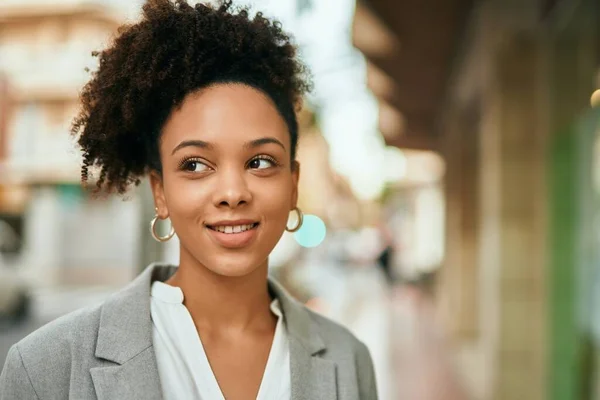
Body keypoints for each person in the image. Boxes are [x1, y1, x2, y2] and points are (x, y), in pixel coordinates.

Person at [0, 1, 378, 399]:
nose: (233, 193)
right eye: (196, 165)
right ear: (160, 192)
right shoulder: (45, 368)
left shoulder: (348, 359)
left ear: (293, 185)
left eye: (260, 161)